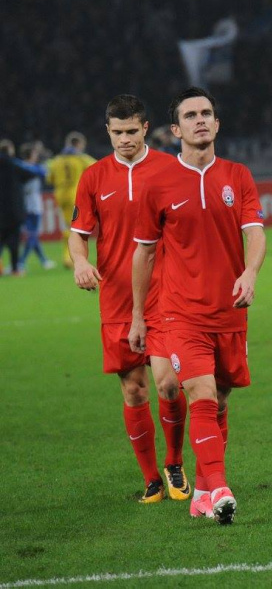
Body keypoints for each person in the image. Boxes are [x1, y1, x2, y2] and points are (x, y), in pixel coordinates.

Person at [130, 87, 266, 525]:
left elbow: (256, 232)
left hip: (229, 310)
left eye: (207, 113)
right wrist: (137, 315)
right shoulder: (159, 183)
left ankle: (203, 493)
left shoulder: (238, 175)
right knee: (201, 394)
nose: (200, 120)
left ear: (217, 123)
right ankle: (222, 487)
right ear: (176, 130)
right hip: (180, 312)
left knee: (220, 401)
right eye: (190, 115)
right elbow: (144, 253)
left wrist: (249, 273)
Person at [69, 95, 189, 504]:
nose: (124, 139)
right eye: (116, 132)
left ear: (144, 127)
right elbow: (78, 233)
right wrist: (80, 262)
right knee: (135, 391)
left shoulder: (172, 169)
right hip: (117, 299)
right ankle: (152, 478)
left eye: (130, 131)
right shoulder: (94, 177)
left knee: (169, 383)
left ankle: (174, 462)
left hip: (168, 296)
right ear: (107, 131)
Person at [47, 132, 96, 267]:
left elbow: (49, 178)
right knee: (76, 227)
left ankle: (69, 256)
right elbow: (98, 169)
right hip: (75, 195)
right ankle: (70, 257)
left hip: (60, 195)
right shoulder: (81, 158)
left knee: (67, 226)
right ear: (78, 144)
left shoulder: (56, 160)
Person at [19, 141, 56, 272]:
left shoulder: (22, 166)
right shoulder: (28, 168)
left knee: (32, 235)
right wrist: (47, 161)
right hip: (32, 206)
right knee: (32, 235)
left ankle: (43, 260)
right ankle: (21, 262)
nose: (36, 156)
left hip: (26, 204)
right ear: (31, 154)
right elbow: (43, 171)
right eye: (35, 153)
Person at [0, 139, 30, 276]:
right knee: (14, 242)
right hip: (13, 211)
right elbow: (30, 174)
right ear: (10, 150)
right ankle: (15, 269)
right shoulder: (14, 164)